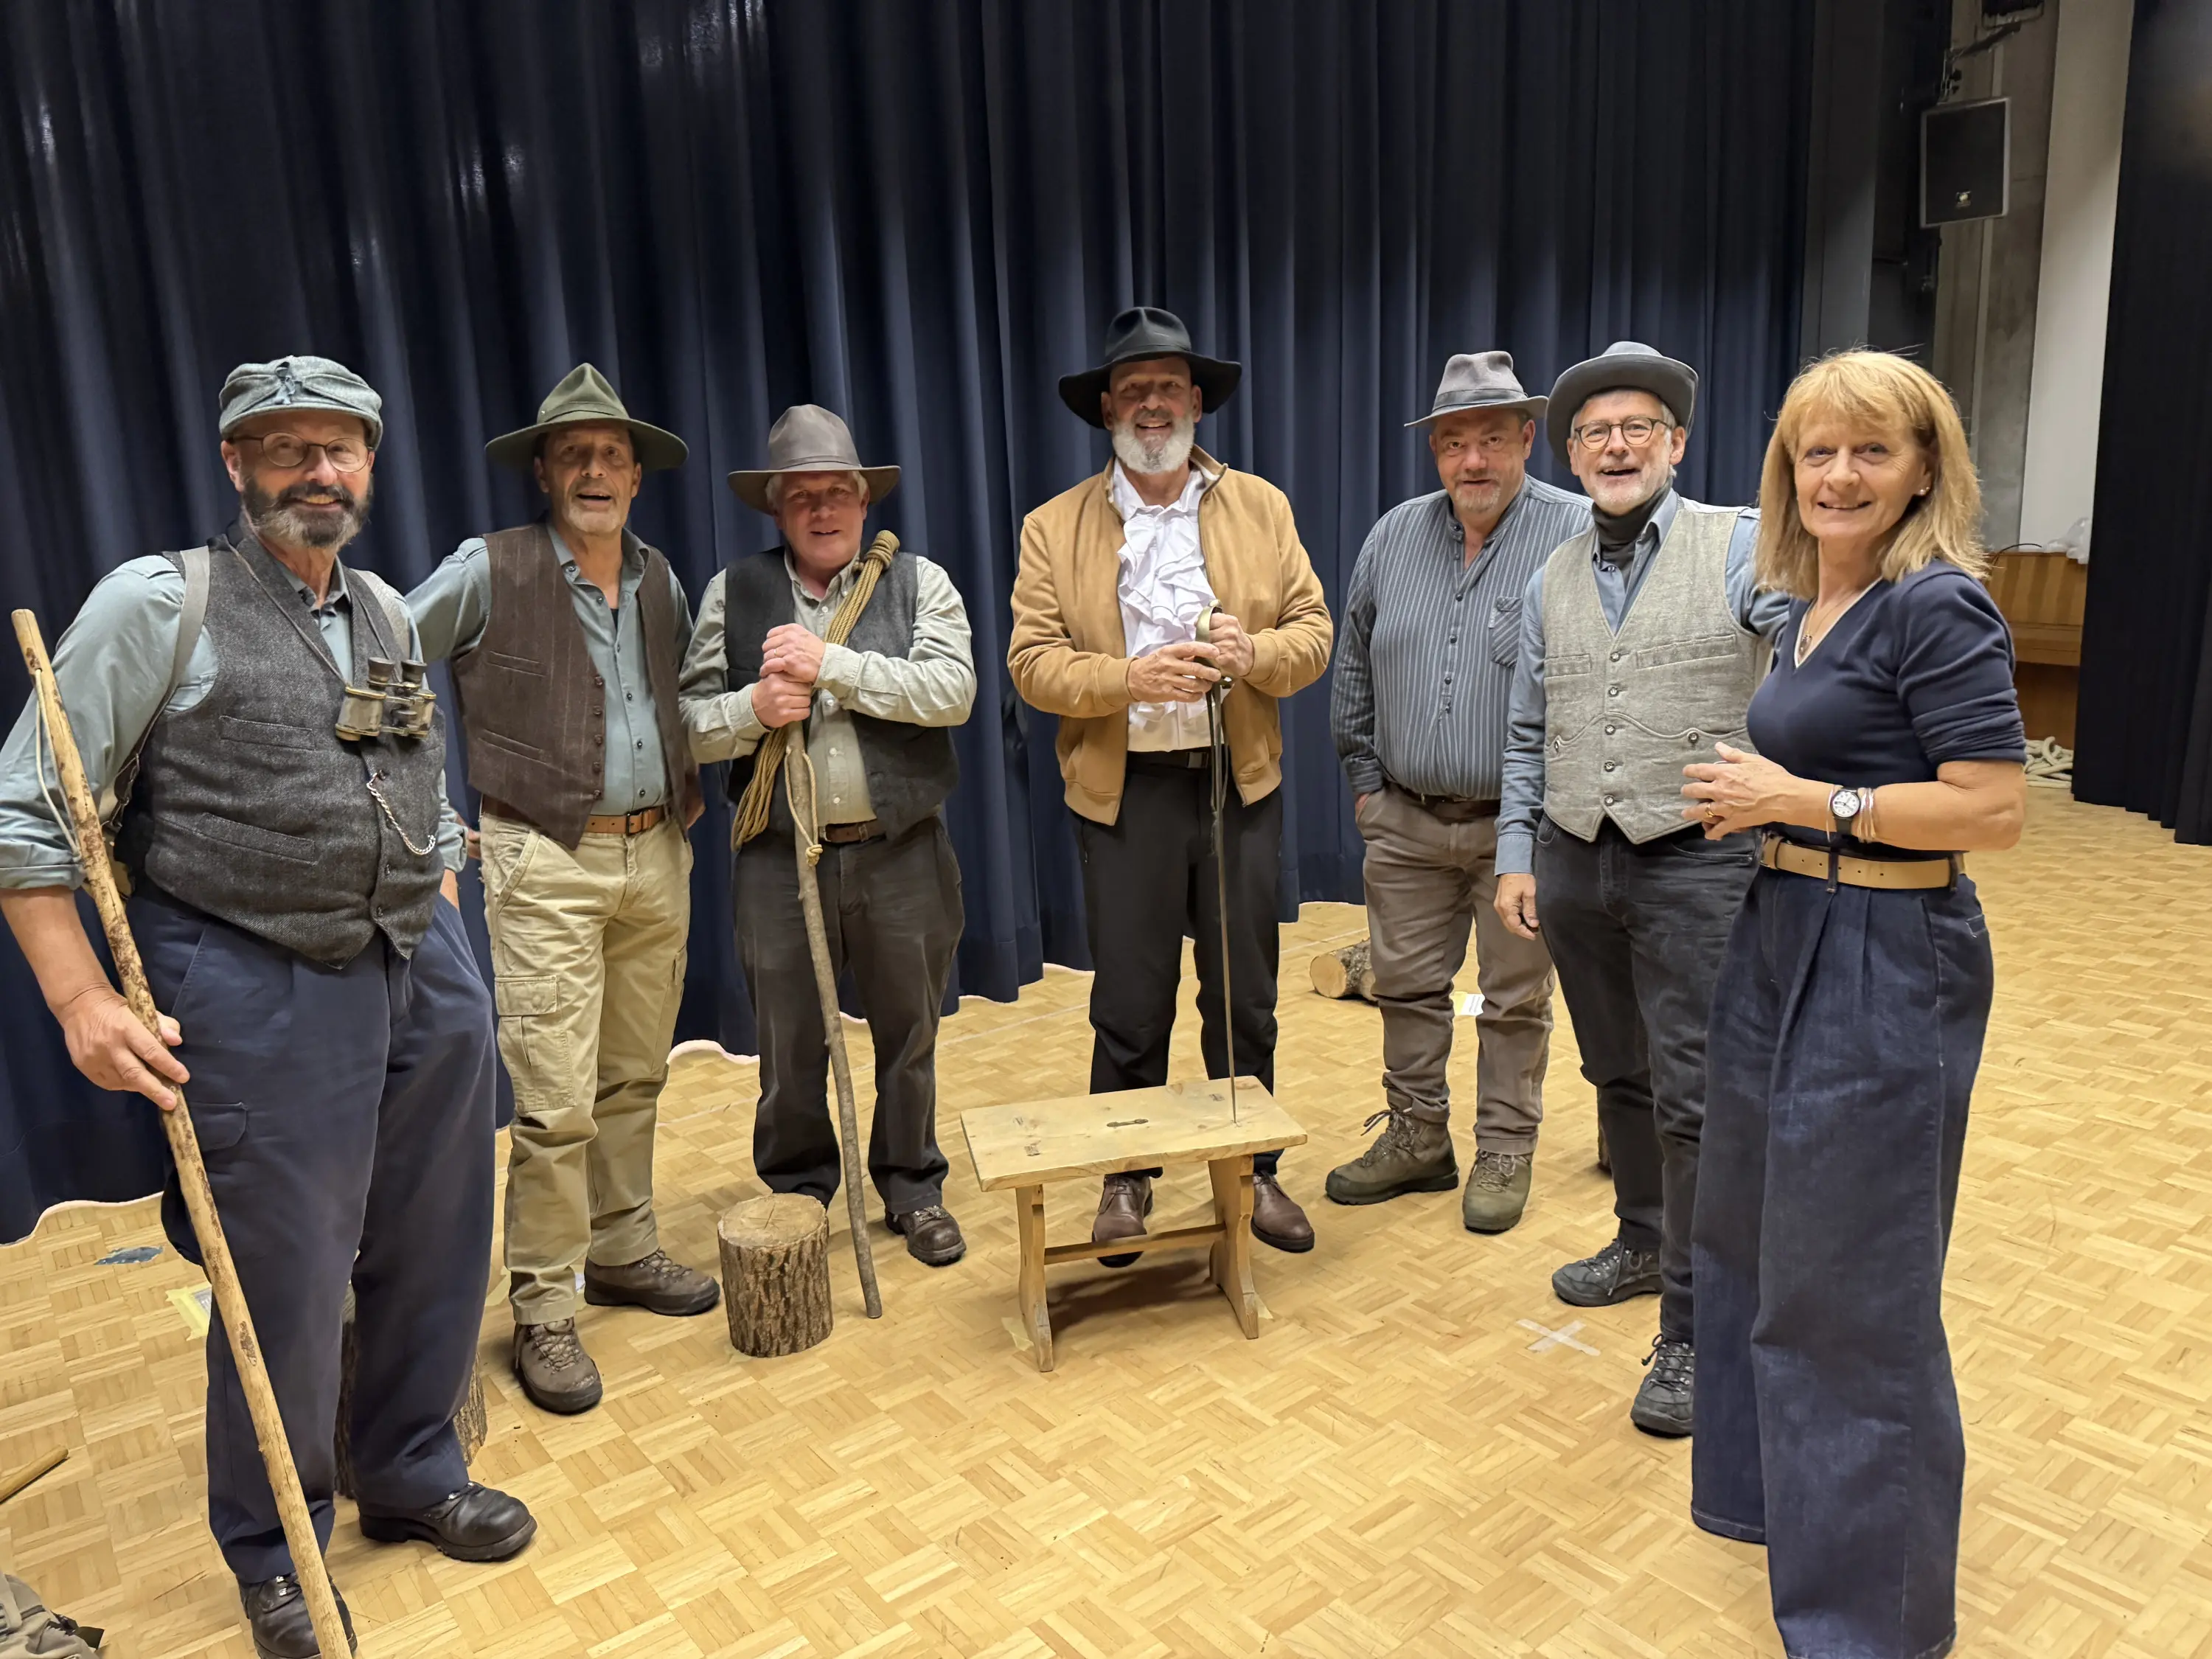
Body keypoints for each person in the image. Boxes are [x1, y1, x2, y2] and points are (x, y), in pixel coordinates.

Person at [0, 358, 533, 1659]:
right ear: (238, 465)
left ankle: (408, 1467)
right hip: (252, 977)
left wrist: (448, 933)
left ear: (370, 463)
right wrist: (77, 997)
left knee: (439, 1238)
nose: (318, 472)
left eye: (340, 448)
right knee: (283, 1284)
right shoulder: (160, 601)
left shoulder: (392, 616)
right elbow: (25, 808)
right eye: (286, 448)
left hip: (420, 972)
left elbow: (423, 786)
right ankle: (280, 1545)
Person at [1683, 351, 2025, 1659]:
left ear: (1924, 468)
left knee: (1856, 1286)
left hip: (1889, 946)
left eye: (1870, 452)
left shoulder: (1938, 605)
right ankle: (1778, 1506)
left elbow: (1993, 808)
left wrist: (1807, 802)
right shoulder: (1800, 606)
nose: (1838, 475)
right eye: (1815, 452)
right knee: (1749, 1238)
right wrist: (1758, 804)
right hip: (1783, 927)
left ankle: (1867, 1625)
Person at [1493, 341, 1791, 1436]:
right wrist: (1516, 855)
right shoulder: (1548, 577)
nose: (1615, 448)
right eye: (1595, 434)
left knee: (1697, 1098)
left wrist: (1791, 780)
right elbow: (1528, 731)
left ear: (1675, 443)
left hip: (1700, 861)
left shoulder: (1741, 548)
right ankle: (1639, 1239)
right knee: (1615, 1070)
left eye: (1637, 429)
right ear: (1571, 455)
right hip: (1576, 858)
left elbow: (1807, 651)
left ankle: (1695, 1324)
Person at [407, 364, 716, 1419]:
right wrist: (441, 826)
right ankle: (544, 1303)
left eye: (612, 455)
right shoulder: (488, 570)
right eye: (574, 454)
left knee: (636, 1076)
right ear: (543, 470)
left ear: (638, 473)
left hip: (657, 852)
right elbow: (384, 659)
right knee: (553, 1101)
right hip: (543, 858)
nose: (595, 470)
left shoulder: (663, 579)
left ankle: (624, 1247)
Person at [1009, 307, 1334, 1259]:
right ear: (1109, 408)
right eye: (1134, 390)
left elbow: (1312, 636)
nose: (1153, 405)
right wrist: (1126, 680)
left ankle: (1254, 1168)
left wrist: (1257, 651)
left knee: (1245, 994)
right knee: (1131, 998)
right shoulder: (1052, 526)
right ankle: (1127, 1177)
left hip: (1242, 783)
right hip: (1126, 794)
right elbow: (1032, 663)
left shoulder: (1263, 508)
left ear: (1197, 401)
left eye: (1169, 388)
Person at [681, 406, 975, 1266]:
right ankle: (799, 1196)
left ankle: (913, 1187)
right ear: (776, 509)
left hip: (903, 851)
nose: (822, 510)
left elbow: (951, 692)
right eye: (802, 496)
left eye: (837, 492)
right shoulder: (733, 594)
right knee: (788, 1043)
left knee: (909, 1033)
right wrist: (751, 710)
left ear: (863, 501)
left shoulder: (921, 583)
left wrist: (831, 667)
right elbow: (687, 726)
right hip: (777, 855)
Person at [1328, 351, 1585, 1231]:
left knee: (1515, 999)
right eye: (1452, 442)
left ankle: (1505, 1149)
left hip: (1525, 834)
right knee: (1404, 987)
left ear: (1527, 439)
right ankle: (1417, 1136)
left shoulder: (1580, 534)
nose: (1471, 461)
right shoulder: (1392, 535)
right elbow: (1352, 664)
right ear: (1434, 451)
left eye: (1489, 439)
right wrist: (1366, 785)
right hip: (1403, 820)